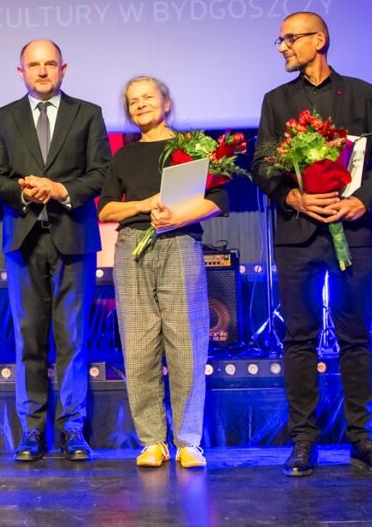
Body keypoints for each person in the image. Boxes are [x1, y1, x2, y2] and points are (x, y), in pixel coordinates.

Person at [253, 11, 372, 477]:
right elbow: (263, 164)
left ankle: (362, 438)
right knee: (300, 337)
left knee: (355, 335)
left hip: (351, 234)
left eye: (289, 39)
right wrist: (292, 194)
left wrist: (361, 201)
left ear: (319, 40)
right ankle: (303, 442)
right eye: (279, 41)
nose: (282, 47)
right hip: (298, 235)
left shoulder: (361, 93)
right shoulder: (276, 101)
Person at [0, 39, 111, 462]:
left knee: (73, 339)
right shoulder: (2, 118)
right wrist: (25, 192)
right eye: (33, 65)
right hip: (23, 240)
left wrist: (59, 189)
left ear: (63, 68)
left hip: (73, 237)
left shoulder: (88, 114)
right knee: (29, 339)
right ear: (20, 71)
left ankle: (73, 429)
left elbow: (100, 174)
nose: (42, 71)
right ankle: (32, 431)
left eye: (50, 64)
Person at [98, 76, 227, 469]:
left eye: (147, 98)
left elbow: (216, 200)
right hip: (132, 249)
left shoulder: (192, 149)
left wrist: (175, 216)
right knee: (138, 348)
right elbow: (105, 210)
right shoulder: (123, 156)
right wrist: (146, 203)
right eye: (133, 101)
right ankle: (152, 441)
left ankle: (188, 441)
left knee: (186, 343)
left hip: (180, 244)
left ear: (166, 103)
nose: (140, 105)